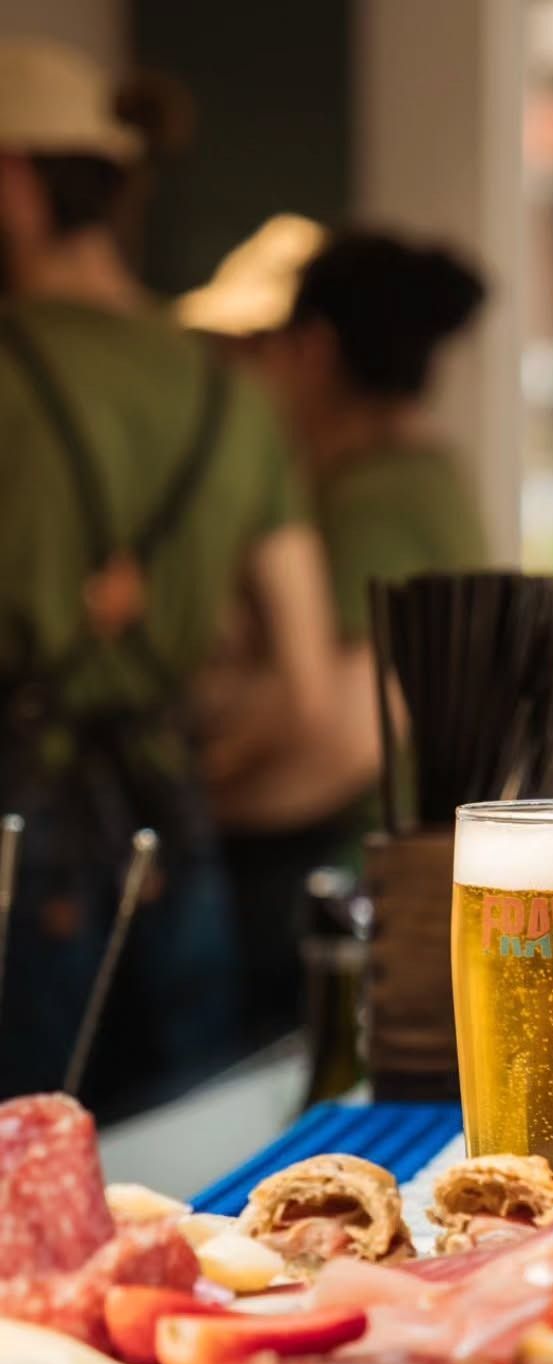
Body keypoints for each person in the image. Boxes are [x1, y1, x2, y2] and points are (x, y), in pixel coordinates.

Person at [0, 39, 337, 1111]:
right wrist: (199, 767)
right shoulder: (228, 391)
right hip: (174, 832)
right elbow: (312, 684)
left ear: (12, 182)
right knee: (185, 1175)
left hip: (14, 833)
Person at [199, 228, 489, 1036]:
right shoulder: (421, 475)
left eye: (263, 348)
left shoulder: (378, 496)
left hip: (342, 872)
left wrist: (206, 791)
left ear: (312, 349)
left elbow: (356, 722)